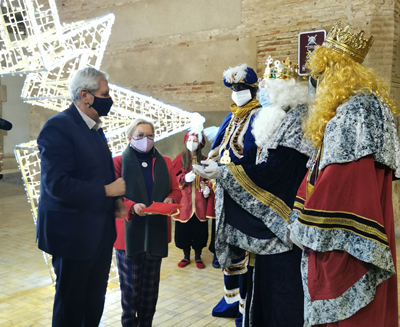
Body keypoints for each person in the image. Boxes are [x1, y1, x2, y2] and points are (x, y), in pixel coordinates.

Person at [288, 21, 400, 326]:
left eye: (321, 75)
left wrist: (305, 224)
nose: (318, 84)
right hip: (352, 218)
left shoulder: (355, 110)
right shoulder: (362, 106)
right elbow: (320, 167)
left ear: (335, 74)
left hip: (344, 233)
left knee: (348, 310)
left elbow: (345, 180)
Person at [194, 57, 313, 326]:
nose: (262, 95)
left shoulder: (295, 120)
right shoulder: (275, 115)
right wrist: (217, 167)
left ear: (285, 91)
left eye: (267, 89)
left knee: (280, 297)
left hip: (281, 219)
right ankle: (234, 301)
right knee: (259, 285)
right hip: (259, 211)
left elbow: (275, 172)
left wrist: (225, 173)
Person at [36, 67, 126, 327]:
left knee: (94, 302)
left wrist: (116, 201)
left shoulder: (95, 128)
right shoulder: (58, 127)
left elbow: (100, 170)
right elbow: (57, 185)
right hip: (71, 236)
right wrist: (107, 192)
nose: (109, 99)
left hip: (97, 233)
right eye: (105, 93)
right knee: (71, 308)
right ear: (85, 95)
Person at [207, 63, 261, 326]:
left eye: (242, 87)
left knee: (243, 251)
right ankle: (230, 299)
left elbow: (256, 157)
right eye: (234, 88)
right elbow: (219, 146)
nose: (237, 92)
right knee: (227, 246)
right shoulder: (232, 116)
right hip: (224, 193)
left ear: (253, 89)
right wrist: (210, 162)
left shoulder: (260, 117)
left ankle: (244, 305)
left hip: (246, 193)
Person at [113, 118, 181, 327]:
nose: (146, 140)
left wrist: (171, 198)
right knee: (131, 288)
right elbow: (114, 195)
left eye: (150, 135)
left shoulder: (165, 161)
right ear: (129, 138)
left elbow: (176, 190)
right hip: (129, 233)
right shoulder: (118, 161)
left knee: (150, 287)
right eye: (140, 136)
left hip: (155, 231)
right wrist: (132, 205)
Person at [172, 130, 214, 269]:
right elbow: (173, 178)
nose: (192, 143)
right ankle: (185, 255)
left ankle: (198, 255)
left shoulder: (204, 160)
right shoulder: (179, 159)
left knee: (199, 230)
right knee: (184, 230)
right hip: (184, 203)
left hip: (200, 202)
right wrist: (183, 179)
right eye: (190, 140)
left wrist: (208, 188)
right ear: (185, 142)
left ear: (200, 143)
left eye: (195, 140)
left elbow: (209, 179)